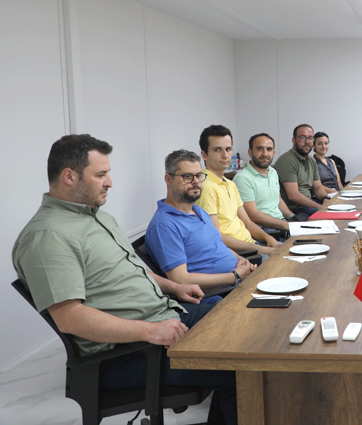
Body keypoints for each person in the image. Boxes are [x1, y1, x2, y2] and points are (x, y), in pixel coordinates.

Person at [12, 135, 237, 425]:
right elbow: (69, 318)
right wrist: (151, 331)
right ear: (69, 176)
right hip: (126, 353)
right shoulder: (47, 236)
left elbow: (134, 272)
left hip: (165, 314)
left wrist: (174, 286)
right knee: (239, 366)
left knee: (241, 324)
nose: (110, 182)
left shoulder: (98, 217)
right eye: (101, 174)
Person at [146, 149, 257, 294]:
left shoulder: (198, 211)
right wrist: (235, 276)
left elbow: (217, 245)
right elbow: (181, 279)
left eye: (198, 175)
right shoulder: (164, 225)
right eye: (187, 176)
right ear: (168, 179)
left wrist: (240, 260)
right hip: (221, 294)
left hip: (239, 280)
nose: (196, 182)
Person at [195, 124, 280, 257]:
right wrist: (260, 249)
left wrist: (269, 239)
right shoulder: (206, 187)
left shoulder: (230, 183)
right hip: (239, 255)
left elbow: (247, 222)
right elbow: (215, 237)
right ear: (204, 155)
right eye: (217, 150)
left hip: (252, 246)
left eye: (228, 149)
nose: (225, 155)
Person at [233, 133, 300, 233]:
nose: (265, 154)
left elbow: (278, 201)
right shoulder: (242, 178)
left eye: (269, 149)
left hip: (280, 224)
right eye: (259, 149)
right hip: (263, 230)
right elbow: (252, 215)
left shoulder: (273, 172)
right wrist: (287, 225)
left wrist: (293, 217)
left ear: (273, 152)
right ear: (250, 153)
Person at [274, 123, 334, 216]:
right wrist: (320, 207)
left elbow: (318, 187)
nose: (307, 141)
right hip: (295, 209)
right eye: (302, 137)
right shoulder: (287, 161)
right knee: (329, 215)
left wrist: (325, 198)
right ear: (294, 140)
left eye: (310, 138)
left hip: (309, 203)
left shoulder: (311, 160)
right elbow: (293, 196)